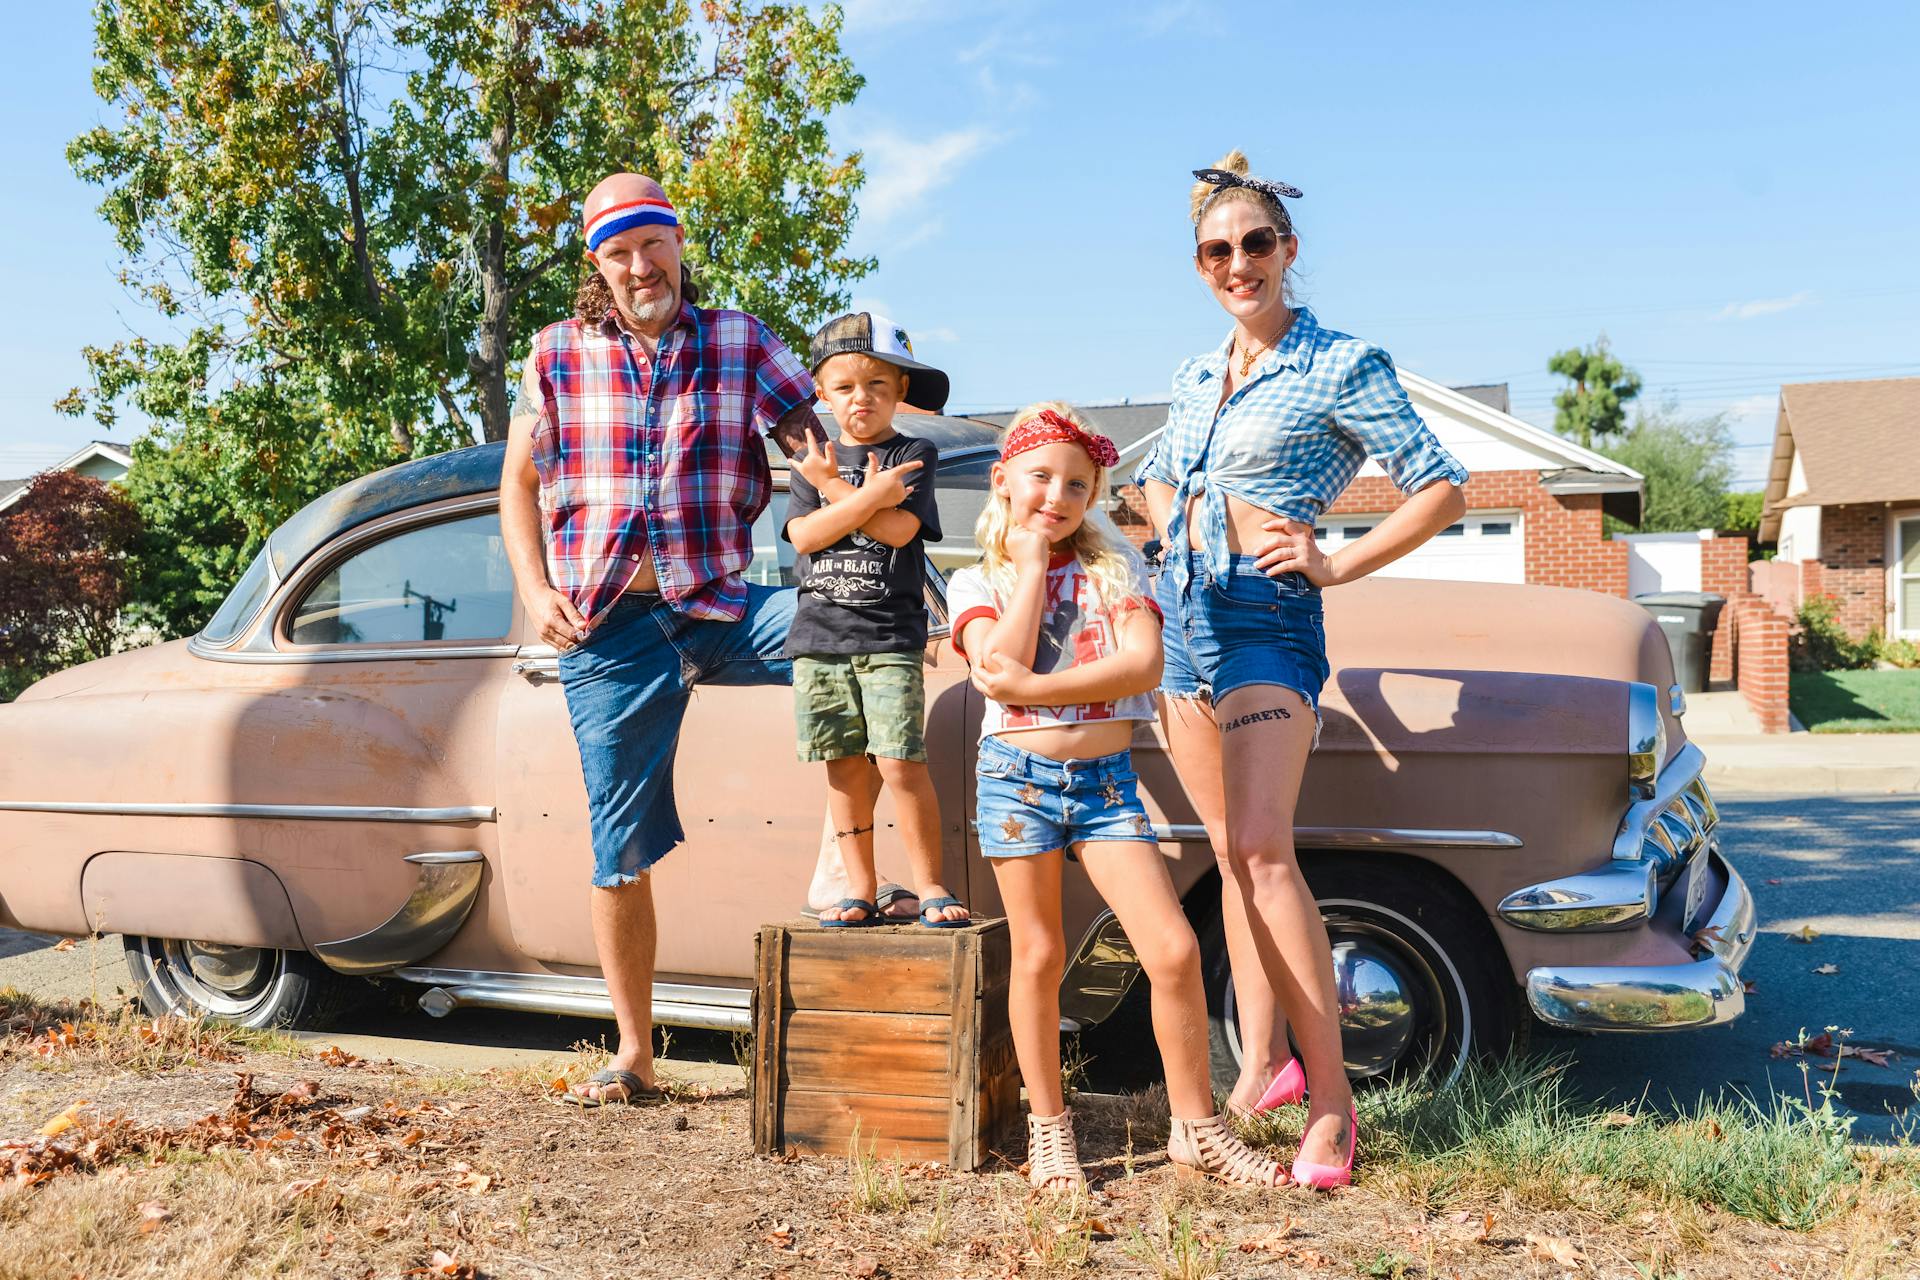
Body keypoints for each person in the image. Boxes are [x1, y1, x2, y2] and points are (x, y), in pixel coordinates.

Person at [1135, 152, 1469, 1188]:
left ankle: (1334, 1100)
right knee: (1228, 856)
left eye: (1256, 244)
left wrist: (1335, 558)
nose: (1239, 263)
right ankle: (1262, 1065)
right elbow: (1150, 475)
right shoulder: (1198, 373)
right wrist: (1168, 529)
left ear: (1289, 250)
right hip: (1181, 618)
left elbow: (1441, 484)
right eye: (1218, 250)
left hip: (1265, 615)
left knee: (1266, 851)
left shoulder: (1341, 361)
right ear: (1200, 265)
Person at [501, 172, 828, 1107]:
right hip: (607, 630)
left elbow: (813, 441)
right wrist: (533, 587)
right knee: (618, 847)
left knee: (847, 638)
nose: (640, 266)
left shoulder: (739, 340)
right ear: (597, 266)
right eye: (618, 252)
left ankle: (864, 877)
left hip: (722, 602)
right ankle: (635, 1056)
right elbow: (518, 486)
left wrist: (870, 499)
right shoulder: (556, 354)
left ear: (679, 242)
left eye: (653, 244)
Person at [949, 403, 1286, 1191]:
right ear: (1003, 484)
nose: (1057, 497)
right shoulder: (978, 577)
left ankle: (1196, 1129)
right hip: (1016, 783)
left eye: (1077, 483)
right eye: (1040, 478)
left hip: (1105, 787)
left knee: (1170, 948)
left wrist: (1041, 686)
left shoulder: (1116, 566)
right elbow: (997, 666)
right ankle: (1051, 1129)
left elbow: (1140, 666)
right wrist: (1030, 569)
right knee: (1037, 954)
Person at [782, 312, 970, 928]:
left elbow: (898, 529)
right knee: (842, 765)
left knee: (898, 761)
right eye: (845, 387)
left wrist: (835, 488)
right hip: (820, 637)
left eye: (878, 386)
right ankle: (857, 887)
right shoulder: (815, 457)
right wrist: (857, 490)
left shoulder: (913, 452)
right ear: (821, 394)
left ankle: (932, 886)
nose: (861, 398)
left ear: (900, 394)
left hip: (889, 635)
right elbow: (806, 538)